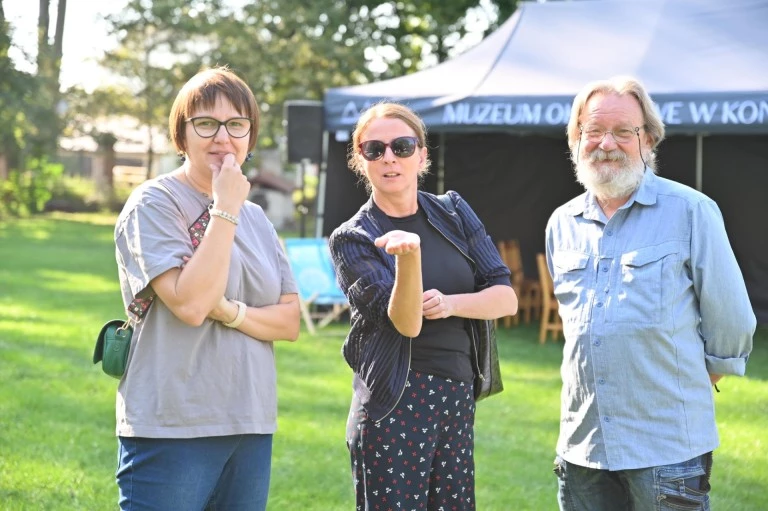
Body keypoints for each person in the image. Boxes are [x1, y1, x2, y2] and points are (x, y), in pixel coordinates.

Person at [546, 75, 756, 511]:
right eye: (593, 131)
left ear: (649, 140)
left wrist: (691, 382)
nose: (607, 143)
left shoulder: (692, 211)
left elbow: (732, 319)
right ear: (576, 140)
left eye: (624, 131)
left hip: (666, 447)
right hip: (582, 445)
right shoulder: (561, 223)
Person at [112, 66, 300, 511]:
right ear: (182, 135)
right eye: (205, 124)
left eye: (236, 124)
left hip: (250, 420)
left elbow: (289, 321)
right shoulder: (154, 203)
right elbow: (194, 304)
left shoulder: (257, 218)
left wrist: (230, 312)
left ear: (250, 135)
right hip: (174, 423)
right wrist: (225, 206)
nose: (222, 137)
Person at [328, 102, 518, 511]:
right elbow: (407, 323)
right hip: (395, 400)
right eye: (374, 149)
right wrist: (408, 258)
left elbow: (505, 298)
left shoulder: (452, 211)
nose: (389, 157)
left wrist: (450, 304)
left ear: (422, 155)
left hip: (456, 392)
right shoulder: (353, 238)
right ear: (360, 160)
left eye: (401, 145)